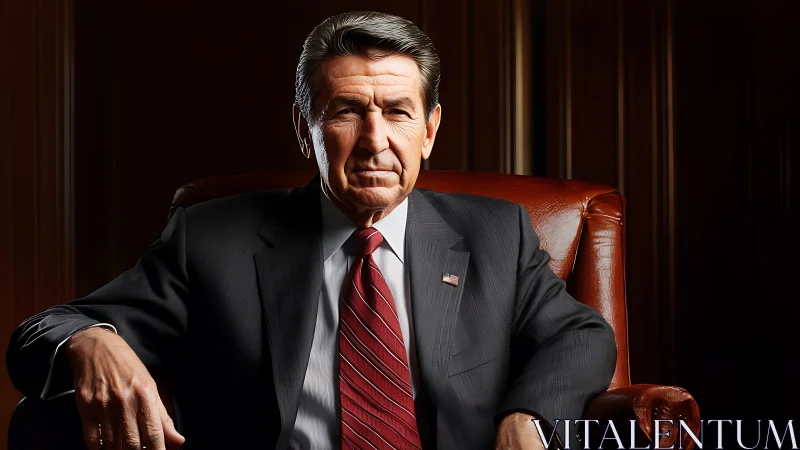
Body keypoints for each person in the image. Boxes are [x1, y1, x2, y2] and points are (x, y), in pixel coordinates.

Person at [6, 11, 616, 450]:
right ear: (306, 129)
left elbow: (584, 335)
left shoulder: (494, 233)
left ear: (429, 130)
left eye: (398, 112)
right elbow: (41, 334)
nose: (376, 141)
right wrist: (88, 340)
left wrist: (529, 417)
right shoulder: (214, 239)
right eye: (348, 111)